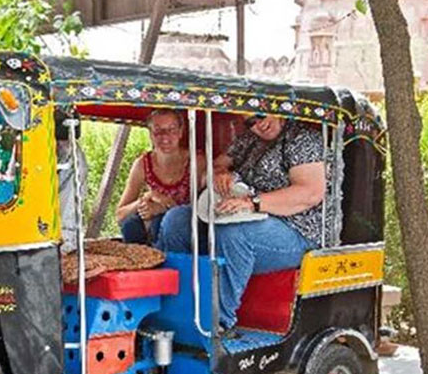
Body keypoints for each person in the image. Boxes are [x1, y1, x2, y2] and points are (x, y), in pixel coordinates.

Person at [212, 114, 326, 333]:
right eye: (250, 122)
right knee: (177, 221)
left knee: (234, 233)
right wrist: (221, 174)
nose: (258, 124)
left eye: (261, 116)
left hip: (296, 228)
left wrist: (253, 203)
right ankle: (173, 310)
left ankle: (218, 323)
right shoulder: (248, 141)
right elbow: (218, 163)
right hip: (251, 217)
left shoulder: (302, 139)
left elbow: (309, 193)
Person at [115, 109, 202, 250]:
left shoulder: (196, 161)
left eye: (171, 130)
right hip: (153, 231)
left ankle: (168, 266)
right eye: (158, 131)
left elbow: (198, 210)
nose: (165, 136)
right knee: (130, 223)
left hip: (187, 234)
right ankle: (142, 263)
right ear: (150, 134)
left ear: (181, 132)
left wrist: (163, 207)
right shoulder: (142, 164)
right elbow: (120, 214)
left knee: (169, 219)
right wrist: (147, 200)